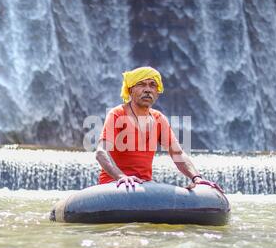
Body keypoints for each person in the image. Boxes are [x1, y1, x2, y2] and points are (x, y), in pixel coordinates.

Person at [95, 66, 224, 193]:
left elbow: (177, 154)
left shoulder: (158, 118)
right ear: (130, 90)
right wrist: (121, 177)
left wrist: (196, 178)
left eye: (152, 85)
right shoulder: (117, 114)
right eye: (141, 84)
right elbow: (101, 152)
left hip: (145, 185)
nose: (147, 90)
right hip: (114, 186)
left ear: (157, 92)